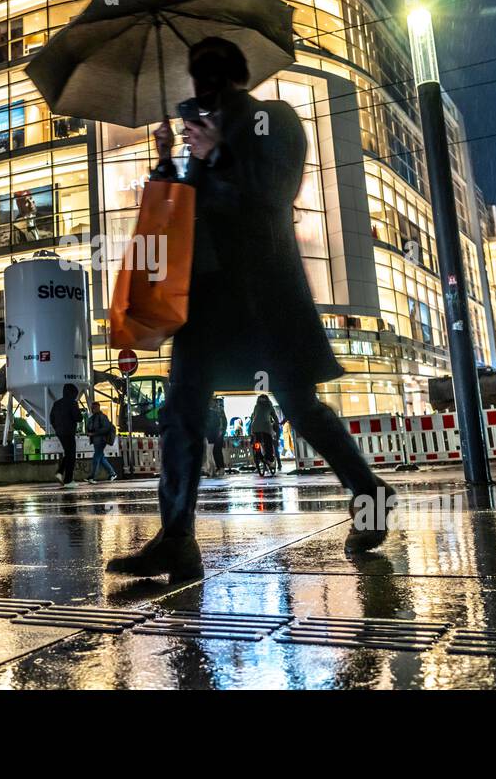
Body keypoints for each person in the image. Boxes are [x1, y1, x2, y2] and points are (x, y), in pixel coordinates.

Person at [105, 38, 395, 583]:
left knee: (300, 408)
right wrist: (170, 163)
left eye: (208, 77)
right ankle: (177, 539)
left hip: (264, 297)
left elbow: (273, 196)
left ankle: (372, 496)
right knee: (183, 412)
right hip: (208, 300)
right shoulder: (203, 140)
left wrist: (218, 153)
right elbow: (183, 217)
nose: (201, 88)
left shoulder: (274, 120)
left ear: (232, 75)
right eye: (197, 78)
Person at [49, 383, 81, 488]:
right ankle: (68, 480)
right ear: (73, 393)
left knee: (68, 453)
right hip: (69, 431)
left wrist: (57, 428)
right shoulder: (72, 403)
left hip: (60, 432)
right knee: (71, 455)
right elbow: (78, 417)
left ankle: (60, 472)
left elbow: (51, 418)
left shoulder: (56, 403)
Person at [85, 400, 118, 484]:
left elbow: (105, 428)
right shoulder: (94, 418)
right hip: (97, 440)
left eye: (94, 407)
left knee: (96, 457)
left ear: (98, 407)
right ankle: (112, 473)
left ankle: (92, 476)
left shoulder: (101, 417)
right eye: (92, 408)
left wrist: (93, 433)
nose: (93, 409)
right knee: (101, 458)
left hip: (101, 440)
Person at [250, 395, 280, 476]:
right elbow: (274, 416)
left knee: (256, 442)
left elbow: (253, 416)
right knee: (268, 443)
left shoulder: (256, 406)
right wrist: (277, 423)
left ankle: (257, 455)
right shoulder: (269, 405)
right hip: (265, 427)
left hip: (254, 427)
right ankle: (269, 459)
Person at [206, 398, 227, 475]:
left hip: (214, 435)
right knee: (216, 452)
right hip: (216, 434)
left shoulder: (214, 412)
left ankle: (215, 469)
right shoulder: (219, 411)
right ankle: (218, 468)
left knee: (213, 452)